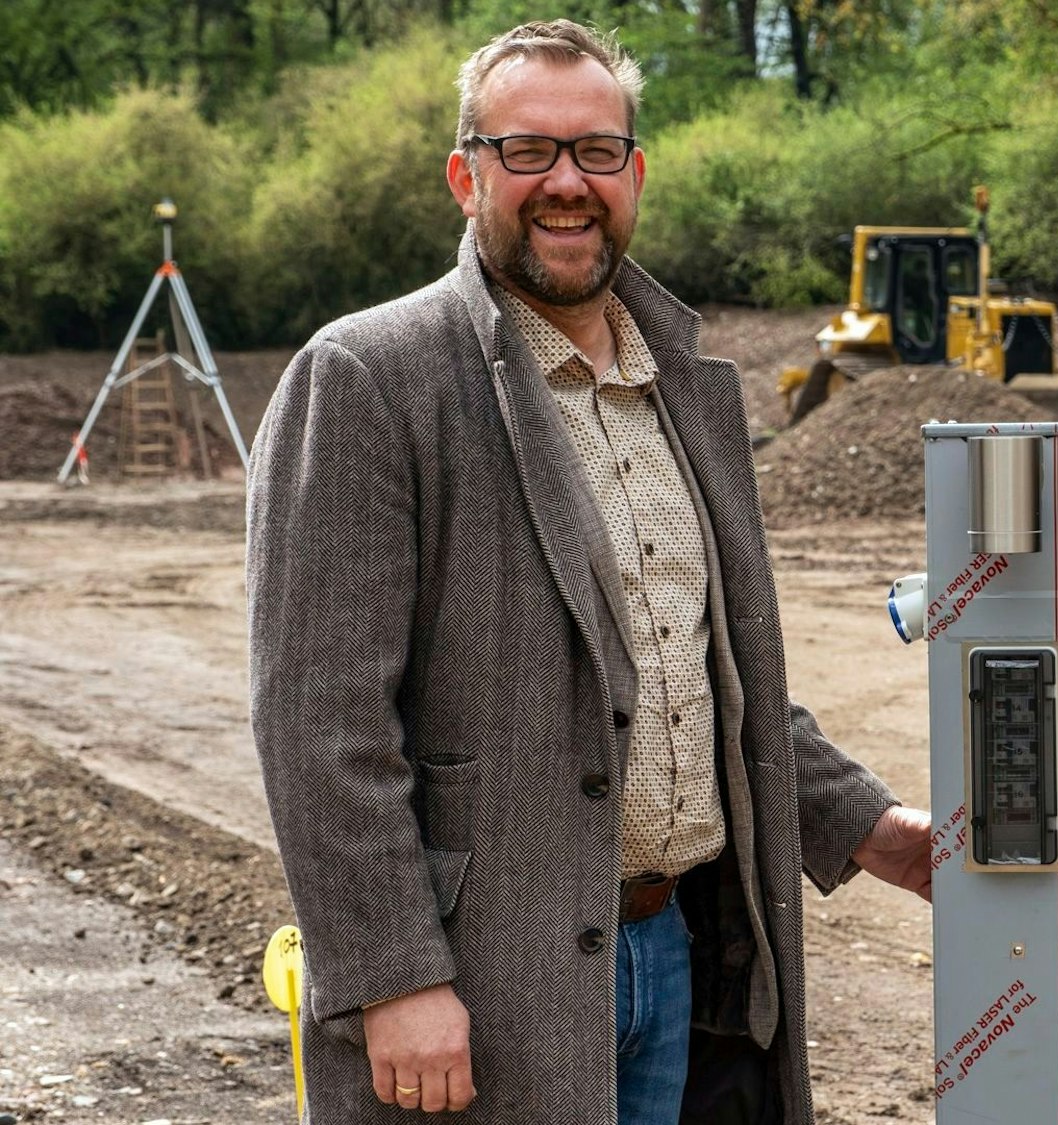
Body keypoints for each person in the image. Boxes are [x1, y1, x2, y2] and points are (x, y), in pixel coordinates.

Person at [246, 20, 931, 1125]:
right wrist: (391, 977)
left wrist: (862, 824)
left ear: (635, 175)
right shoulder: (369, 377)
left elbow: (702, 677)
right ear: (466, 175)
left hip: (674, 951)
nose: (566, 183)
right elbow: (318, 722)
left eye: (596, 152)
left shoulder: (686, 389)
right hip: (483, 976)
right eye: (528, 152)